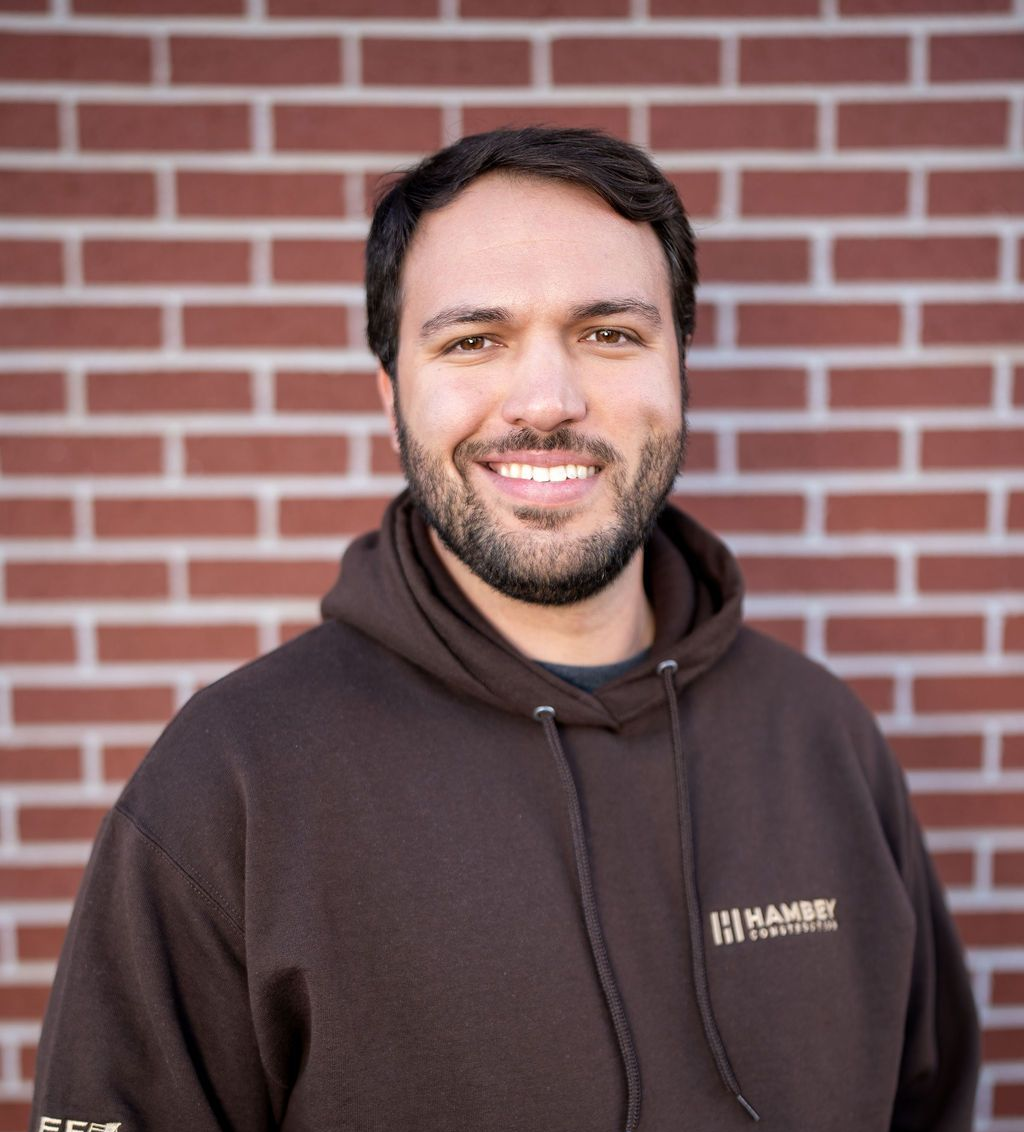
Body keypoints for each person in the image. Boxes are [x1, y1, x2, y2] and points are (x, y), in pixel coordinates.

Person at [31, 127, 978, 1132]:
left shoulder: (825, 741)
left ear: (679, 370)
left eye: (609, 334)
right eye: (473, 340)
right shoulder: (232, 780)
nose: (546, 403)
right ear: (391, 395)